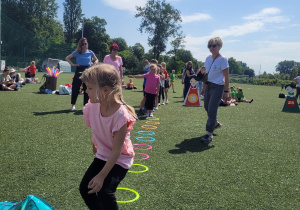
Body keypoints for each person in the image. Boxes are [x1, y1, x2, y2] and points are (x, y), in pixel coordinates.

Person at [79, 64, 137, 209]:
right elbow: (96, 128)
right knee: (85, 188)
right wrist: (95, 146)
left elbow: (117, 151)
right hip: (103, 155)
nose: (86, 91)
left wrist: (101, 175)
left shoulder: (120, 116)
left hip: (120, 159)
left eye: (90, 88)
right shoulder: (92, 106)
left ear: (105, 90)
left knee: (105, 192)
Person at [200, 37, 230, 144]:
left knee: (212, 108)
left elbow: (226, 76)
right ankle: (215, 123)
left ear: (219, 46)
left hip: (218, 87)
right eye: (210, 46)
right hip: (208, 85)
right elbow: (206, 74)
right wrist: (203, 87)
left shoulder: (223, 59)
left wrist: (226, 92)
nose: (212, 48)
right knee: (207, 107)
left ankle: (209, 134)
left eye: (214, 45)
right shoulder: (208, 58)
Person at [66, 37, 99, 111]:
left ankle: (85, 106)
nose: (84, 45)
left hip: (88, 70)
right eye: (83, 44)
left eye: (85, 43)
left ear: (87, 44)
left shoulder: (90, 52)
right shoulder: (77, 52)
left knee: (87, 88)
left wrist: (94, 63)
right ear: (80, 45)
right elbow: (67, 58)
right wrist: (73, 65)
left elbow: (96, 59)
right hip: (79, 70)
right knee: (75, 87)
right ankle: (73, 105)